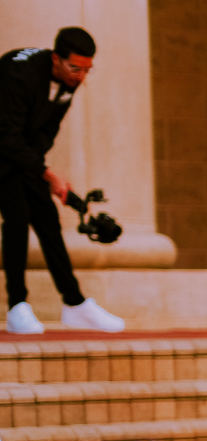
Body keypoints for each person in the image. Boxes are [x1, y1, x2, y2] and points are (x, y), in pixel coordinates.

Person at [0, 27, 124, 334]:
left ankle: (75, 304)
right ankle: (17, 306)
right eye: (75, 68)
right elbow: (7, 136)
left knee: (47, 218)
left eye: (87, 70)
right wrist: (47, 173)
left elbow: (46, 131)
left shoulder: (69, 80)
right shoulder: (18, 73)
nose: (81, 76)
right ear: (56, 59)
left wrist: (43, 171)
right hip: (2, 147)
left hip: (20, 151)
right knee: (17, 217)